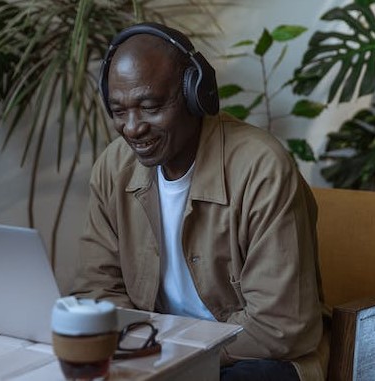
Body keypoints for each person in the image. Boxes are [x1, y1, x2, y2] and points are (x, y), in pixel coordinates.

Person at [71, 22, 328, 381]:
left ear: (197, 94)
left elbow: (280, 325)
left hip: (250, 357)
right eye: (119, 110)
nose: (132, 127)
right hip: (156, 354)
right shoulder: (114, 168)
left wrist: (173, 354)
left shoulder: (260, 167)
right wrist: (146, 351)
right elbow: (98, 291)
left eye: (150, 106)